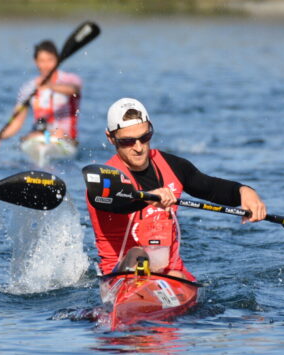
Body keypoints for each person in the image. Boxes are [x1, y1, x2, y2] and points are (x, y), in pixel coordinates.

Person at [86, 98, 268, 281]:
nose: (139, 148)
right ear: (110, 138)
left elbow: (211, 187)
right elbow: (116, 205)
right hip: (121, 277)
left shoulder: (172, 165)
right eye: (128, 141)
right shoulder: (105, 179)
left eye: (145, 137)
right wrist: (146, 199)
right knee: (137, 254)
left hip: (173, 276)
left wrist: (244, 191)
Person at [0, 40, 82, 165]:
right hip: (38, 136)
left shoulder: (70, 79)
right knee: (30, 136)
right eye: (42, 61)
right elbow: (16, 122)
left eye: (50, 60)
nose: (46, 65)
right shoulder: (28, 88)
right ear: (36, 63)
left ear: (57, 60)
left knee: (57, 134)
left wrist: (49, 85)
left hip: (65, 138)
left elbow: (73, 89)